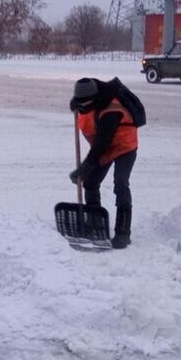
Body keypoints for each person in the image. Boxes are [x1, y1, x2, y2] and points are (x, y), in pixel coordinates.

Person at [68, 77, 138, 249]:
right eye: (80, 105)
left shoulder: (111, 109)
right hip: (106, 146)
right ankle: (95, 223)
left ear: (95, 99)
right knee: (90, 182)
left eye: (85, 106)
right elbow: (100, 145)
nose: (83, 109)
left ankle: (123, 232)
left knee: (121, 184)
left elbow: (101, 145)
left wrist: (84, 168)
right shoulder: (90, 99)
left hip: (124, 145)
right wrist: (76, 104)